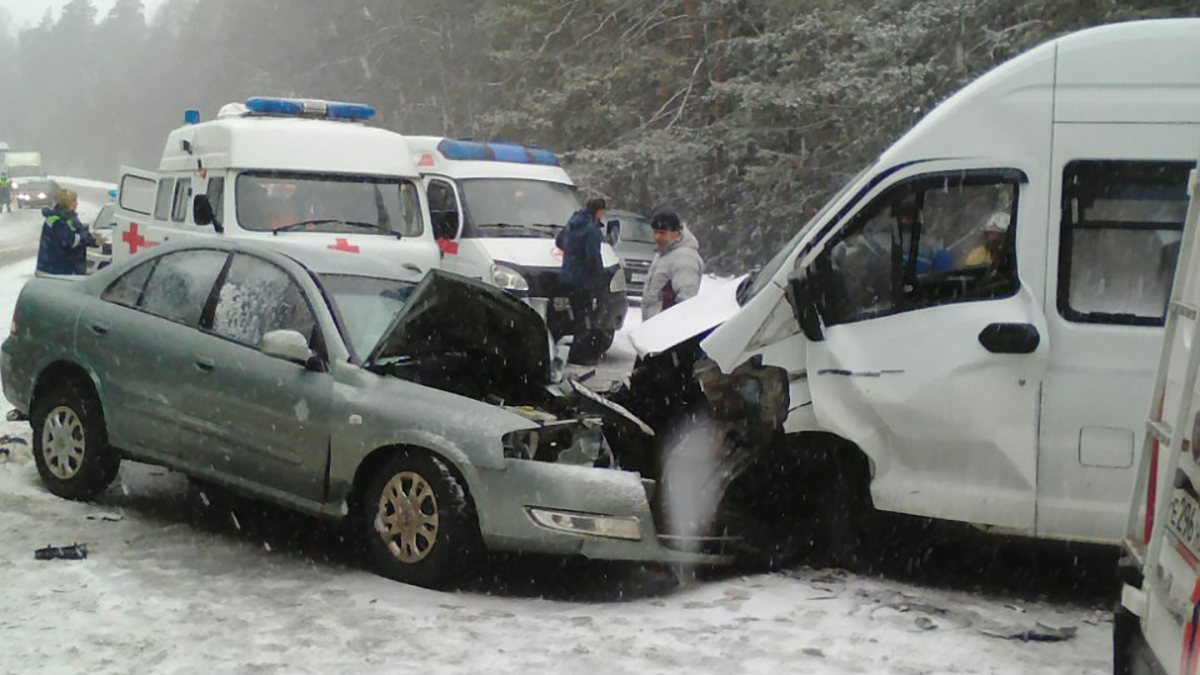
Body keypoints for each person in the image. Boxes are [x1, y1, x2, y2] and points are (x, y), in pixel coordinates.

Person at [556, 197, 608, 364]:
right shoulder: (591, 230)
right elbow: (593, 256)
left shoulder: (573, 223)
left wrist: (572, 255)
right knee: (584, 316)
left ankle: (553, 338)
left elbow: (559, 240)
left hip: (568, 275)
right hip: (584, 279)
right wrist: (600, 276)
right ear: (599, 211)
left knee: (572, 312)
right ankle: (579, 353)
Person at [642, 211, 704, 320]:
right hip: (654, 326)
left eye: (662, 233)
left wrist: (670, 325)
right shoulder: (664, 253)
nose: (657, 237)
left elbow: (686, 300)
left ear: (677, 233)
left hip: (667, 328)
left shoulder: (685, 258)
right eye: (655, 232)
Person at [36, 189, 95, 276]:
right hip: (57, 272)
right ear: (67, 203)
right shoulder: (57, 220)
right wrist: (87, 238)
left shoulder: (67, 218)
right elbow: (71, 241)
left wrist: (91, 238)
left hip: (61, 270)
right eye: (74, 200)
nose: (76, 204)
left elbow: (77, 232)